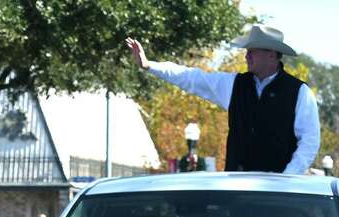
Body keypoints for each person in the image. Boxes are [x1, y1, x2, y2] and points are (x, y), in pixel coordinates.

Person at [126, 25, 320, 174]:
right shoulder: (235, 84)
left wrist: (287, 178)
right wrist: (149, 65)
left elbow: (310, 142)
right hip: (237, 188)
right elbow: (191, 78)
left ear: (271, 55)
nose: (246, 55)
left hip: (280, 194)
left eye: (252, 50)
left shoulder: (299, 92)